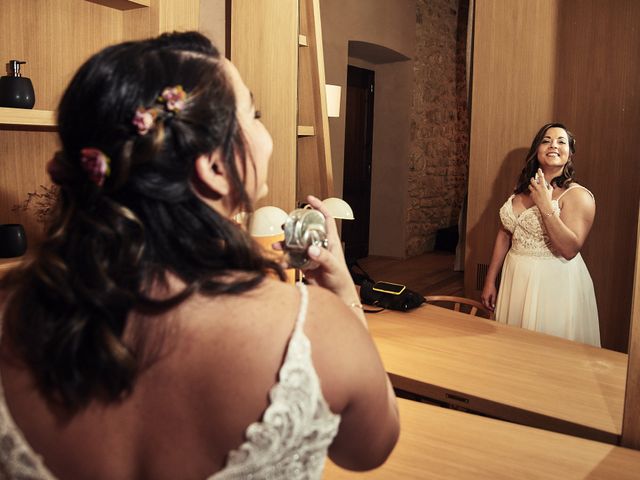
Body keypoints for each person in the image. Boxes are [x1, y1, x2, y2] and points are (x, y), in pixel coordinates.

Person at [0, 32, 399, 479]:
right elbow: (369, 449)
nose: (265, 133)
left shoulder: (9, 314)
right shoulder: (312, 330)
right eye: (255, 114)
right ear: (214, 167)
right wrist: (345, 295)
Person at [481, 122, 600, 347]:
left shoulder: (578, 196)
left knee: (546, 351)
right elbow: (505, 233)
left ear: (570, 153)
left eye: (561, 141)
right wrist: (490, 281)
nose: (553, 145)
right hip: (516, 278)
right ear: (537, 149)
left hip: (553, 284)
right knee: (513, 347)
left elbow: (569, 249)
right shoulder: (522, 190)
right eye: (546, 140)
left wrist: (546, 205)